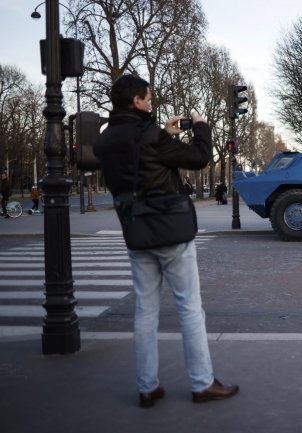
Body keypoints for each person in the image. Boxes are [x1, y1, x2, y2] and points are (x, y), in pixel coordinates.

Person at [93, 74, 238, 408]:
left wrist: (165, 134)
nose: (151, 102)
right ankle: (202, 384)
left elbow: (139, 160)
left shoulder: (106, 140)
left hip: (136, 230)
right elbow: (199, 157)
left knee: (145, 310)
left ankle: (147, 386)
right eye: (148, 98)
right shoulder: (150, 135)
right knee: (189, 308)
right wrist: (200, 127)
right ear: (136, 102)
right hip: (169, 229)